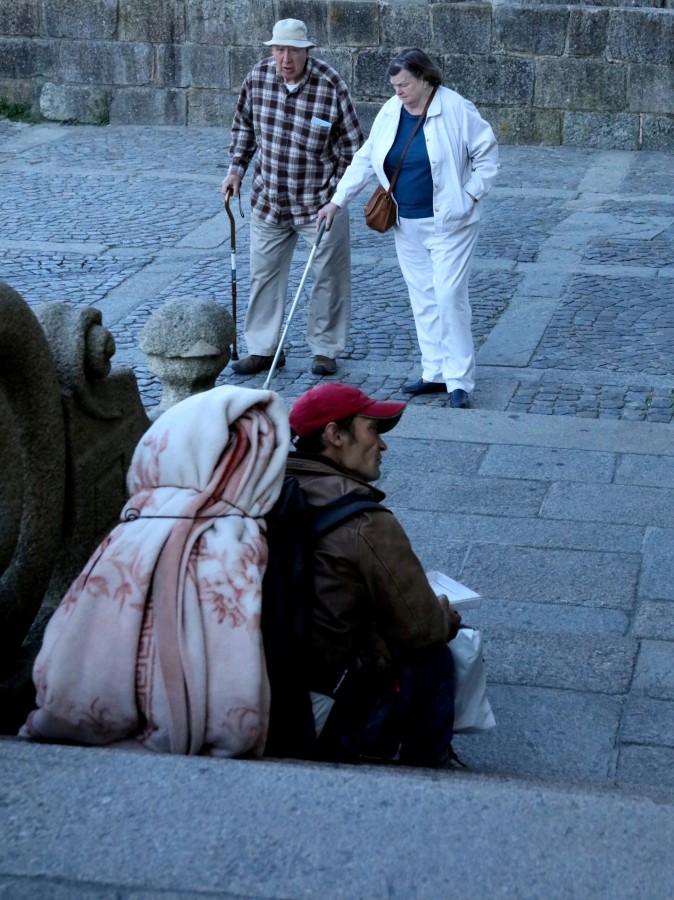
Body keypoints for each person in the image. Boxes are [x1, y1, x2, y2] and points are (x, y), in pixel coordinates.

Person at [286, 382, 462, 767]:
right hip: (319, 715)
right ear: (335, 434)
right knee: (434, 659)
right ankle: (428, 770)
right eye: (373, 430)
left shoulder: (271, 490)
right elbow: (423, 629)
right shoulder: (366, 523)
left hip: (263, 691)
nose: (382, 445)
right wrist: (444, 614)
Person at [317, 48, 499, 408]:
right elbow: (367, 158)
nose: (398, 91)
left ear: (425, 79)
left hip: (451, 223)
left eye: (404, 84)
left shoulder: (456, 108)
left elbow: (488, 156)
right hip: (405, 221)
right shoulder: (391, 111)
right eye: (394, 85)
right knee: (423, 298)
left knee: (448, 296)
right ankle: (434, 371)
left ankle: (459, 380)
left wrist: (469, 196)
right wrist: (338, 200)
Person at [222, 19, 363, 378]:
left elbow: (353, 148)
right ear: (271, 50)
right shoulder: (257, 78)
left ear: (307, 52)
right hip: (269, 198)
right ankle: (263, 349)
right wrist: (236, 168)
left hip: (318, 202)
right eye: (279, 50)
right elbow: (244, 127)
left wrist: (337, 196)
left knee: (328, 276)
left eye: (293, 51)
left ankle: (324, 349)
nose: (285, 58)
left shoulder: (330, 84)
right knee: (263, 275)